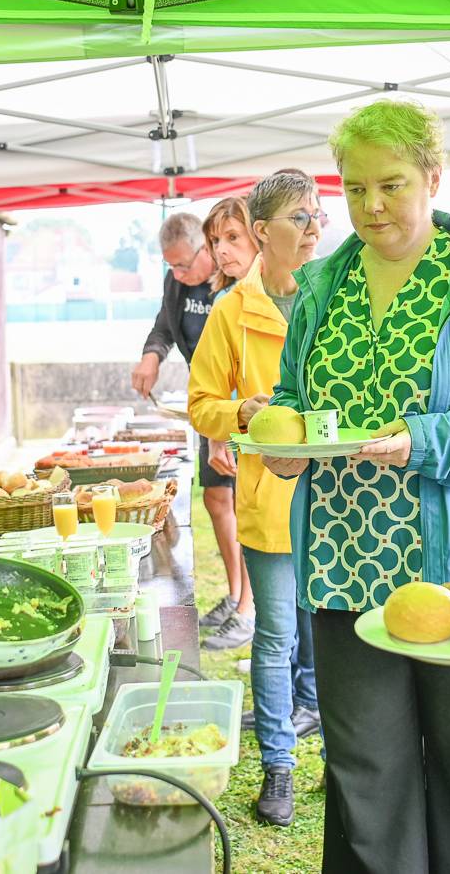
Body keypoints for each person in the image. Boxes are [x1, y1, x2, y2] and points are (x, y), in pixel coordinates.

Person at [265, 99, 450, 873]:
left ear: (433, 177)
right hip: (344, 568)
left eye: (391, 185)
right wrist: (285, 440)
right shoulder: (322, 286)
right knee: (367, 776)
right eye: (355, 187)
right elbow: (296, 396)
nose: (371, 206)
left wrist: (432, 438)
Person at [189, 173, 324, 826]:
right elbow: (200, 404)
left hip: (338, 498)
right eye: (300, 217)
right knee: (274, 637)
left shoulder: (338, 296)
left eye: (318, 214)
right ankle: (279, 766)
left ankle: (344, 760)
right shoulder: (230, 311)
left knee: (328, 633)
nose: (315, 227)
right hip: (269, 499)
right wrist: (241, 411)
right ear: (265, 231)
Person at [133, 212, 254, 649]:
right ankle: (237, 590)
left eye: (185, 265)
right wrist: (152, 354)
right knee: (217, 497)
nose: (180, 275)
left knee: (249, 503)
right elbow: (165, 324)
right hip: (210, 408)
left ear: (207, 248)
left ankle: (249, 610)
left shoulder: (234, 282)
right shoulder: (177, 283)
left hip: (244, 408)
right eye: (172, 267)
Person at [196, 196, 262, 641]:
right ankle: (242, 601)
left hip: (274, 437)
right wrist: (217, 435)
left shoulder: (288, 291)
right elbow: (219, 382)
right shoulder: (224, 299)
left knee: (258, 522)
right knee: (239, 512)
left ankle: (248, 609)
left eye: (232, 237)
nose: (221, 249)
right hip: (239, 429)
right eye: (216, 240)